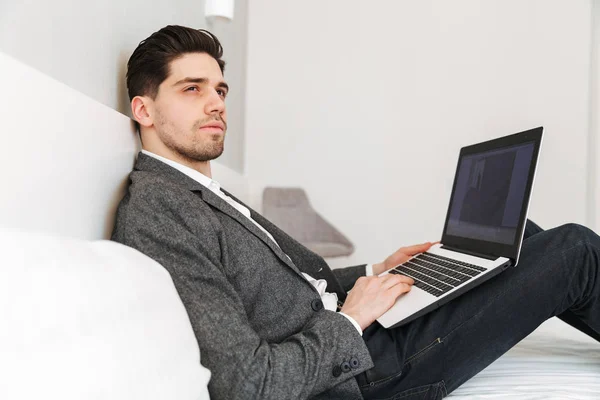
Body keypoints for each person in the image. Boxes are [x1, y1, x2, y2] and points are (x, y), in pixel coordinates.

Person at [111, 25, 600, 400]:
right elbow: (247, 382)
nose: (216, 103)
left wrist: (375, 272)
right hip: (363, 372)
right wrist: (353, 319)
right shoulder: (159, 210)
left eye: (220, 90)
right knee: (574, 248)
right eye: (192, 89)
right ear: (144, 110)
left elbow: (284, 286)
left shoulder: (194, 187)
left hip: (360, 337)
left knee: (523, 239)